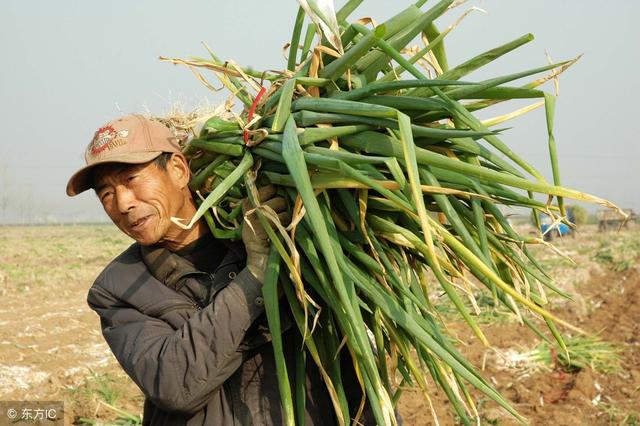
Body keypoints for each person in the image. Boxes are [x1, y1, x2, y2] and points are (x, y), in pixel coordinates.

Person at [66, 114, 370, 426]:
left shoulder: (286, 240)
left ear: (178, 170)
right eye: (106, 194)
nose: (122, 203)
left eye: (131, 180)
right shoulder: (118, 288)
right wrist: (254, 279)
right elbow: (173, 384)